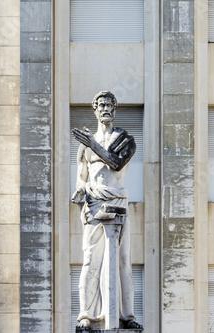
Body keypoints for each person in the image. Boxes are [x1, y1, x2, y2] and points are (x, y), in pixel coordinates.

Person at [71, 91, 142, 329]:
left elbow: (116, 162)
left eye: (109, 105)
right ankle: (85, 314)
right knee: (91, 259)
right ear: (95, 109)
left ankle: (127, 316)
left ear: (115, 108)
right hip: (94, 204)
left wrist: (92, 143)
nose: (105, 109)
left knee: (123, 260)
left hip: (118, 201)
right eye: (101, 105)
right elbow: (81, 178)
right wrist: (80, 189)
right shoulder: (85, 147)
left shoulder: (126, 139)